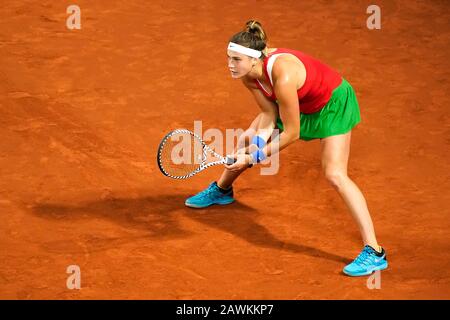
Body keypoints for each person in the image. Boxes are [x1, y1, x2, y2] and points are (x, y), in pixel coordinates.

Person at [185, 20, 388, 277]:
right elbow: (269, 114)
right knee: (247, 139)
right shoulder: (248, 75)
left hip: (331, 104)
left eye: (236, 59)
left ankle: (375, 251)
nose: (230, 64)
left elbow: (292, 133)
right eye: (228, 58)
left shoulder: (285, 76)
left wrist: (254, 157)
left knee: (335, 174)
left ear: (254, 60)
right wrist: (251, 149)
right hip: (295, 101)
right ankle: (222, 190)